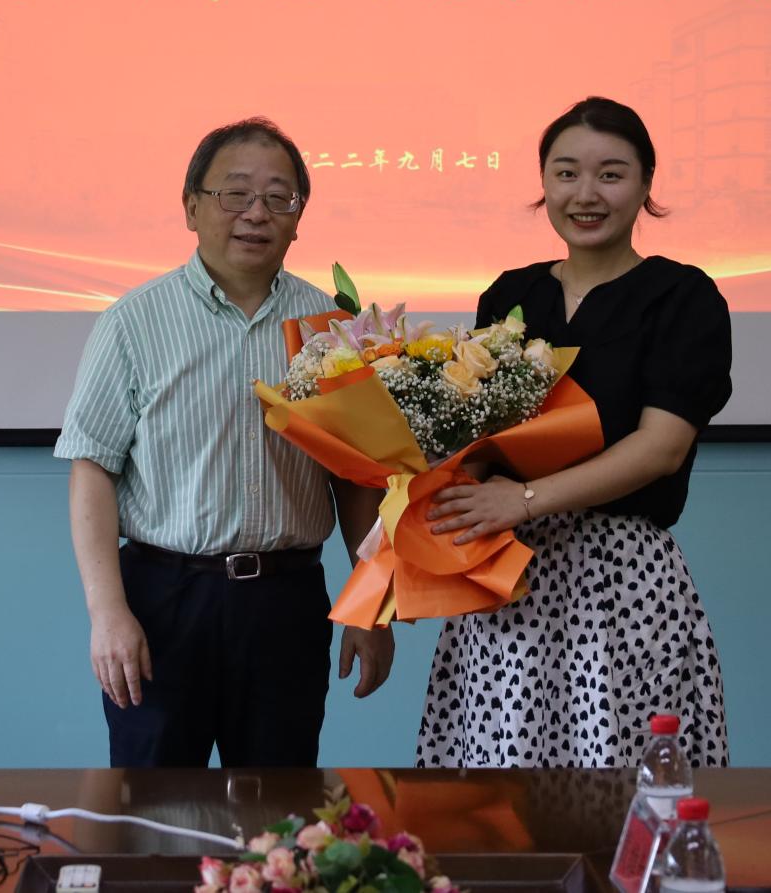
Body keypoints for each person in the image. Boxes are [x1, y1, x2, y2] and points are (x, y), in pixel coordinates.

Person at [57, 117, 395, 767]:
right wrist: (108, 613)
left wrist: (371, 603)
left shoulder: (333, 328)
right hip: (163, 600)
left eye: (278, 197)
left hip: (286, 601)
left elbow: (356, 479)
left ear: (299, 217)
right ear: (191, 207)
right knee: (154, 806)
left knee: (279, 808)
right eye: (235, 193)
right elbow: (92, 468)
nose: (256, 214)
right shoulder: (133, 322)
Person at [414, 96, 732, 768]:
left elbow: (661, 447)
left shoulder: (683, 297)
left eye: (611, 174)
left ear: (646, 184)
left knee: (620, 777)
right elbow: (484, 440)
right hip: (507, 576)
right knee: (502, 779)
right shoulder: (510, 294)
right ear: (544, 183)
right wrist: (423, 495)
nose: (586, 194)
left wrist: (524, 500)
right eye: (566, 173)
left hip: (622, 580)